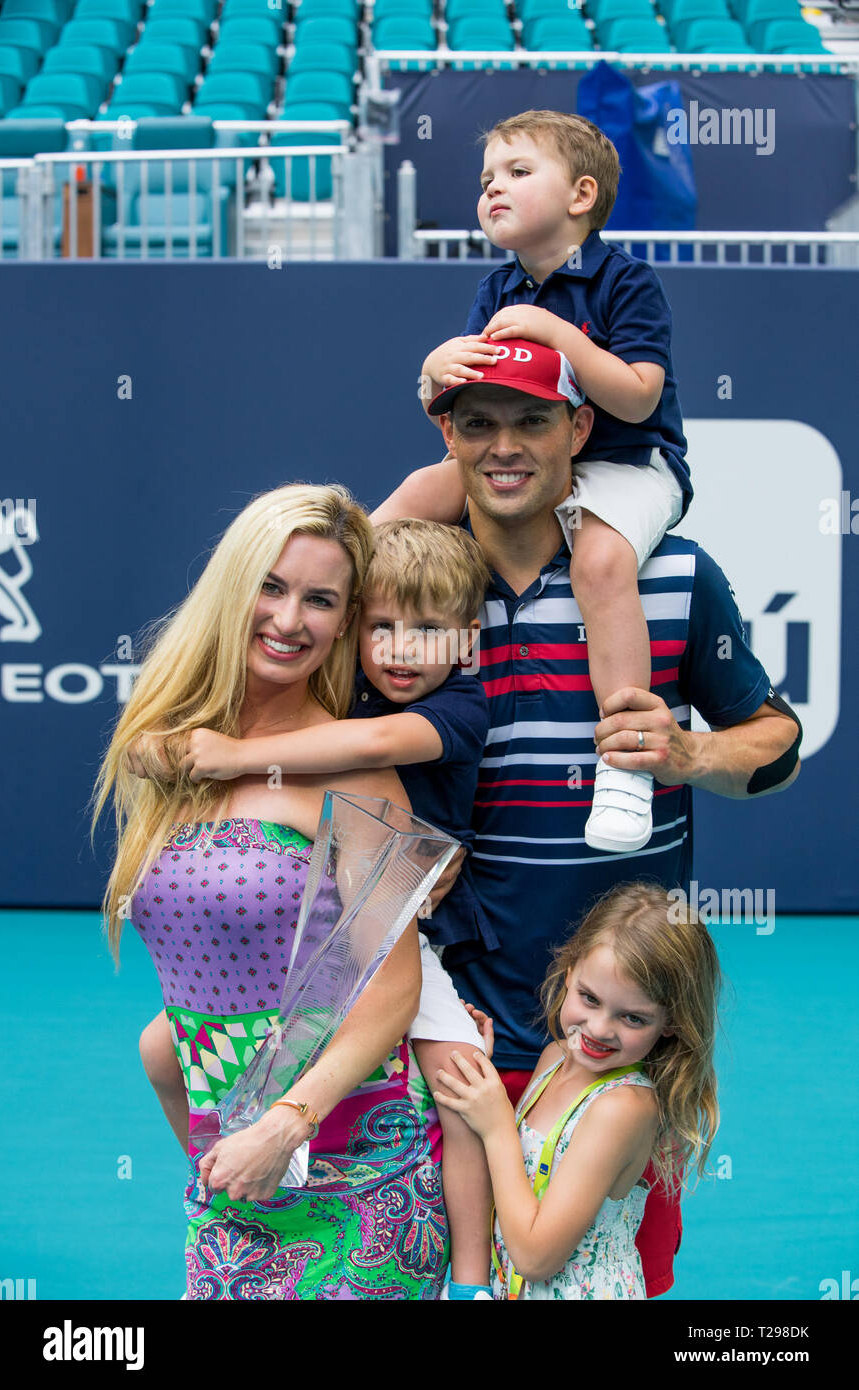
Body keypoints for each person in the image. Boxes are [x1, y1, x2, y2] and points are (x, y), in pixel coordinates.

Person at [373, 338, 802, 1297]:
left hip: (617, 1044)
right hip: (458, 1034)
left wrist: (694, 754)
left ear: (579, 429)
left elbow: (776, 740)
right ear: (447, 435)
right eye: (477, 423)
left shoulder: (675, 576)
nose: (505, 447)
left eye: (532, 420)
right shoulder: (411, 594)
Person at [93, 483, 452, 1300]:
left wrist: (288, 1119)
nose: (291, 620)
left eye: (321, 599)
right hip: (234, 1177)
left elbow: (391, 990)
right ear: (232, 588)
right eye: (273, 586)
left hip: (361, 1170)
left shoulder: (360, 771)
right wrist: (191, 1086)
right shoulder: (173, 756)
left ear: (346, 619)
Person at [389, 109, 690, 855]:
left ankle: (624, 764)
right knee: (409, 504)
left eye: (519, 173)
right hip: (535, 462)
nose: (494, 189)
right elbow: (470, 402)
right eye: (487, 178)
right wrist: (432, 368)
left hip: (629, 464)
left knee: (600, 560)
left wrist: (558, 335)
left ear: (581, 195)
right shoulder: (495, 289)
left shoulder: (627, 281)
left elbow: (637, 397)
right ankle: (323, 596)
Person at [434, 882, 720, 1300]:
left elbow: (535, 1257)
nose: (600, 1029)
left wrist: (497, 1124)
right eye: (589, 998)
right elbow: (523, 1180)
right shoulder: (554, 1058)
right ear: (569, 973)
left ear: (671, 1023)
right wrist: (481, 1068)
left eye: (633, 1018)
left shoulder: (623, 1108)